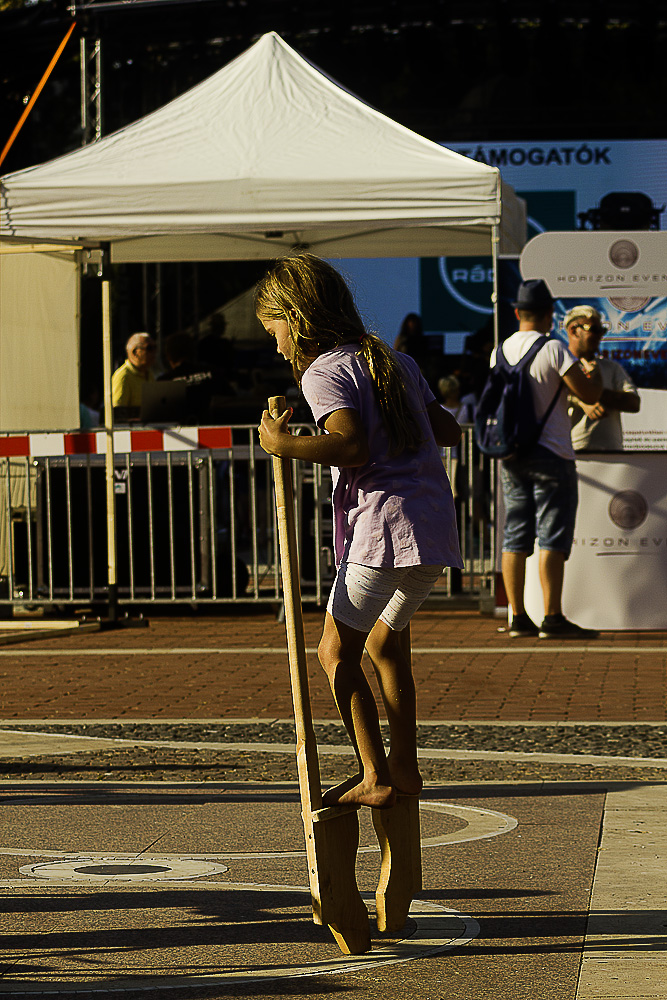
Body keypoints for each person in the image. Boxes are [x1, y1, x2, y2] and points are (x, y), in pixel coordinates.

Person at [256, 253, 462, 809]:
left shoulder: (324, 372)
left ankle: (374, 773)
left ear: (296, 318)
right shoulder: (394, 361)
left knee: (334, 653)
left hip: (381, 530)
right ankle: (405, 766)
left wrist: (283, 443)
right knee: (386, 642)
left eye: (274, 331)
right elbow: (448, 430)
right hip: (431, 527)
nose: (277, 346)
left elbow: (350, 446)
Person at [497, 279, 604, 639]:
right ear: (549, 315)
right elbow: (588, 392)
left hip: (512, 453)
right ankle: (552, 617)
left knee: (514, 535)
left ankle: (517, 616)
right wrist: (591, 370)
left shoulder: (501, 350)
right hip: (552, 452)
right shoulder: (554, 348)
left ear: (517, 313)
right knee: (552, 536)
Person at [564, 305, 640, 451]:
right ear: (574, 330)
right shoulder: (559, 366)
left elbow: (634, 403)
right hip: (572, 453)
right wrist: (580, 401)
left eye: (602, 330)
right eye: (594, 329)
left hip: (613, 455)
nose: (600, 336)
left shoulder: (611, 368)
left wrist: (592, 394)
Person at [158, 331, 235, 422]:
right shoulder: (213, 372)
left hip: (177, 430)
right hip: (213, 427)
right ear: (193, 351)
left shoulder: (163, 382)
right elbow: (233, 402)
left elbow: (155, 417)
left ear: (168, 356)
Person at [111, 332, 157, 411]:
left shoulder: (149, 373)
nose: (154, 352)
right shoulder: (123, 377)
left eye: (155, 347)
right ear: (135, 352)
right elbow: (118, 412)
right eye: (149, 348)